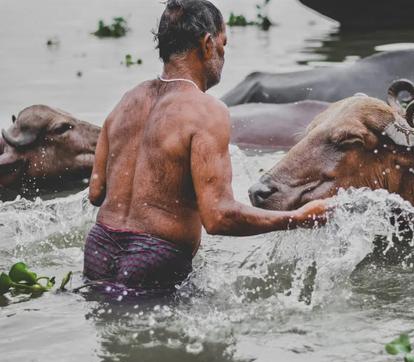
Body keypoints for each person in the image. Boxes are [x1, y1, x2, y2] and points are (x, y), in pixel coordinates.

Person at [83, 0, 328, 291]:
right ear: (208, 44)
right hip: (155, 258)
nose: (223, 55)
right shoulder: (206, 111)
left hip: (98, 249)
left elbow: (97, 193)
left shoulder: (126, 102)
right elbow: (218, 217)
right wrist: (297, 218)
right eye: (224, 45)